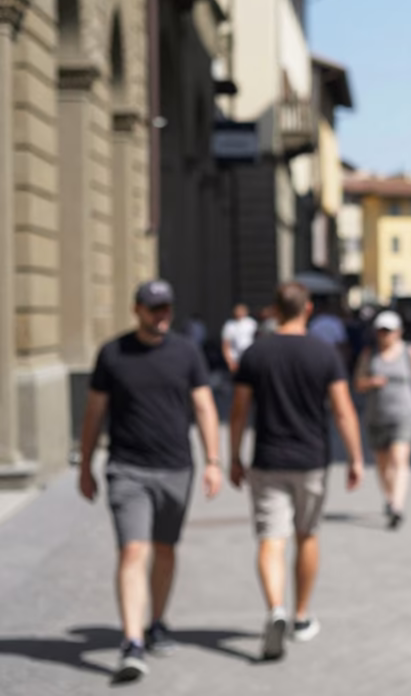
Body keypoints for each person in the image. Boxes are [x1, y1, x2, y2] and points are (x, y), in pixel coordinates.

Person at [77, 280, 223, 683]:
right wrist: (85, 463)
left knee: (165, 550)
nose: (162, 316)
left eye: (166, 309)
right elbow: (94, 413)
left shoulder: (186, 353)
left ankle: (157, 621)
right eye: (154, 308)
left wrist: (213, 460)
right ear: (136, 309)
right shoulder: (113, 354)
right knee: (132, 551)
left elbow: (205, 407)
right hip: (127, 470)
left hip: (177, 468)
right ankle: (132, 641)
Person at [228, 282, 365, 662]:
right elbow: (342, 409)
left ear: (274, 309)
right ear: (307, 311)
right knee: (307, 536)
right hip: (311, 461)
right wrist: (355, 457)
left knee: (271, 540)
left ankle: (275, 609)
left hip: (268, 458)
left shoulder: (256, 354)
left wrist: (233, 456)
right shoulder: (324, 353)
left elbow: (239, 411)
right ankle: (301, 617)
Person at [354, 310, 411, 529]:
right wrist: (371, 382)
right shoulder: (369, 354)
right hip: (376, 415)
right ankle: (389, 497)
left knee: (399, 459)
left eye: (388, 331)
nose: (384, 335)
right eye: (380, 331)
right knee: (382, 464)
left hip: (404, 413)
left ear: (398, 332)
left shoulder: (410, 352)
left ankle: (397, 506)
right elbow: (357, 383)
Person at [221, 303, 258, 374]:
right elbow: (226, 345)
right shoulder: (229, 325)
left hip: (250, 358)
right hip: (236, 360)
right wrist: (230, 362)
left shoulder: (252, 323)